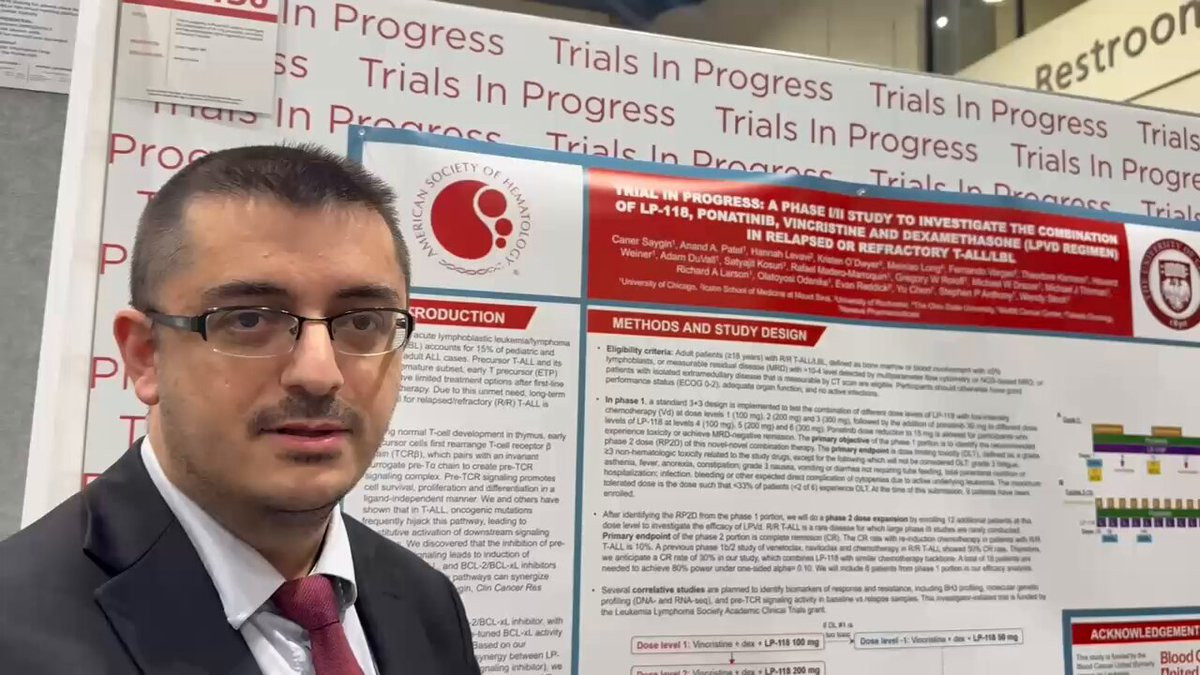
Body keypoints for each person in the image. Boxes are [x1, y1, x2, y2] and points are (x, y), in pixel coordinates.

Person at [0, 144, 482, 675]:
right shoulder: (16, 631)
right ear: (145, 355)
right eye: (249, 320)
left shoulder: (426, 602)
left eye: (363, 322)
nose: (319, 373)